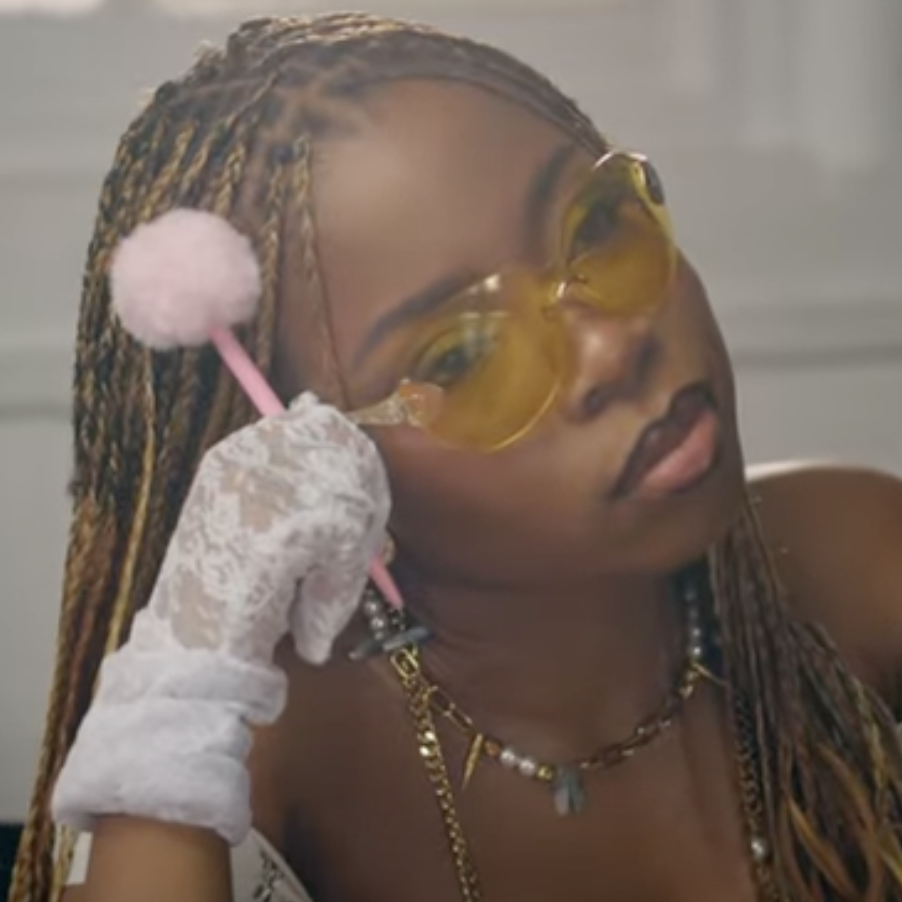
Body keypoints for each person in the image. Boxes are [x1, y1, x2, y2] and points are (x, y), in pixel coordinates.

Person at [9, 12, 902, 902]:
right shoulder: (264, 753)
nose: (612, 345)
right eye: (465, 355)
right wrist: (184, 670)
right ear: (313, 456)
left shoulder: (859, 560)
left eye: (595, 225)